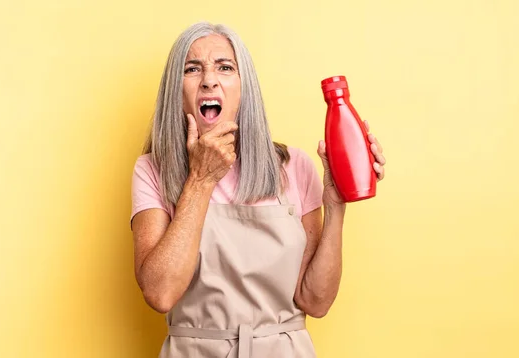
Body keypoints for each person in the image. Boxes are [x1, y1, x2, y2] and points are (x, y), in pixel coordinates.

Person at [130, 22, 386, 358]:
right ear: (175, 92)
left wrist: (335, 205)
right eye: (192, 69)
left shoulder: (294, 166)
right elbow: (160, 293)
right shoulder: (152, 170)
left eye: (225, 67)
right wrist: (201, 179)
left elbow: (315, 301)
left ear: (243, 88)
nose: (209, 79)